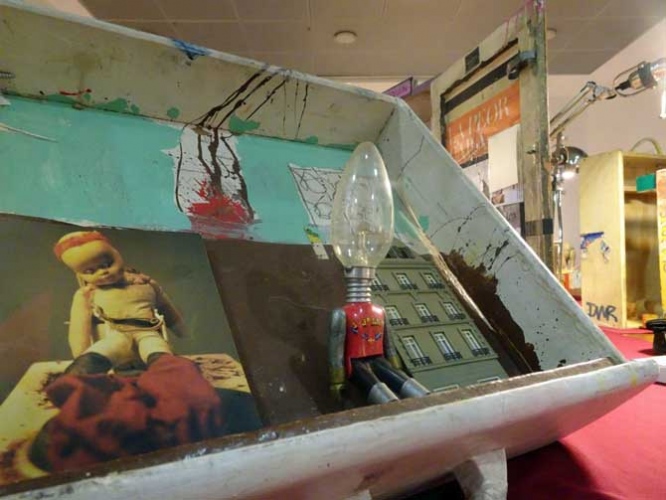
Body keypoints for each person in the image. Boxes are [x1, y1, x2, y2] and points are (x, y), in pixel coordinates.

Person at [53, 230, 187, 375]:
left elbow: (166, 308)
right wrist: (80, 353)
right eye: (90, 271)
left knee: (158, 352)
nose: (103, 272)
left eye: (106, 264)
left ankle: (167, 373)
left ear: (117, 254)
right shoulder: (87, 294)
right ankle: (78, 374)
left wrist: (180, 329)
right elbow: (79, 325)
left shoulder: (145, 283)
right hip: (116, 335)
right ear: (79, 274)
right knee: (95, 357)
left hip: (148, 332)